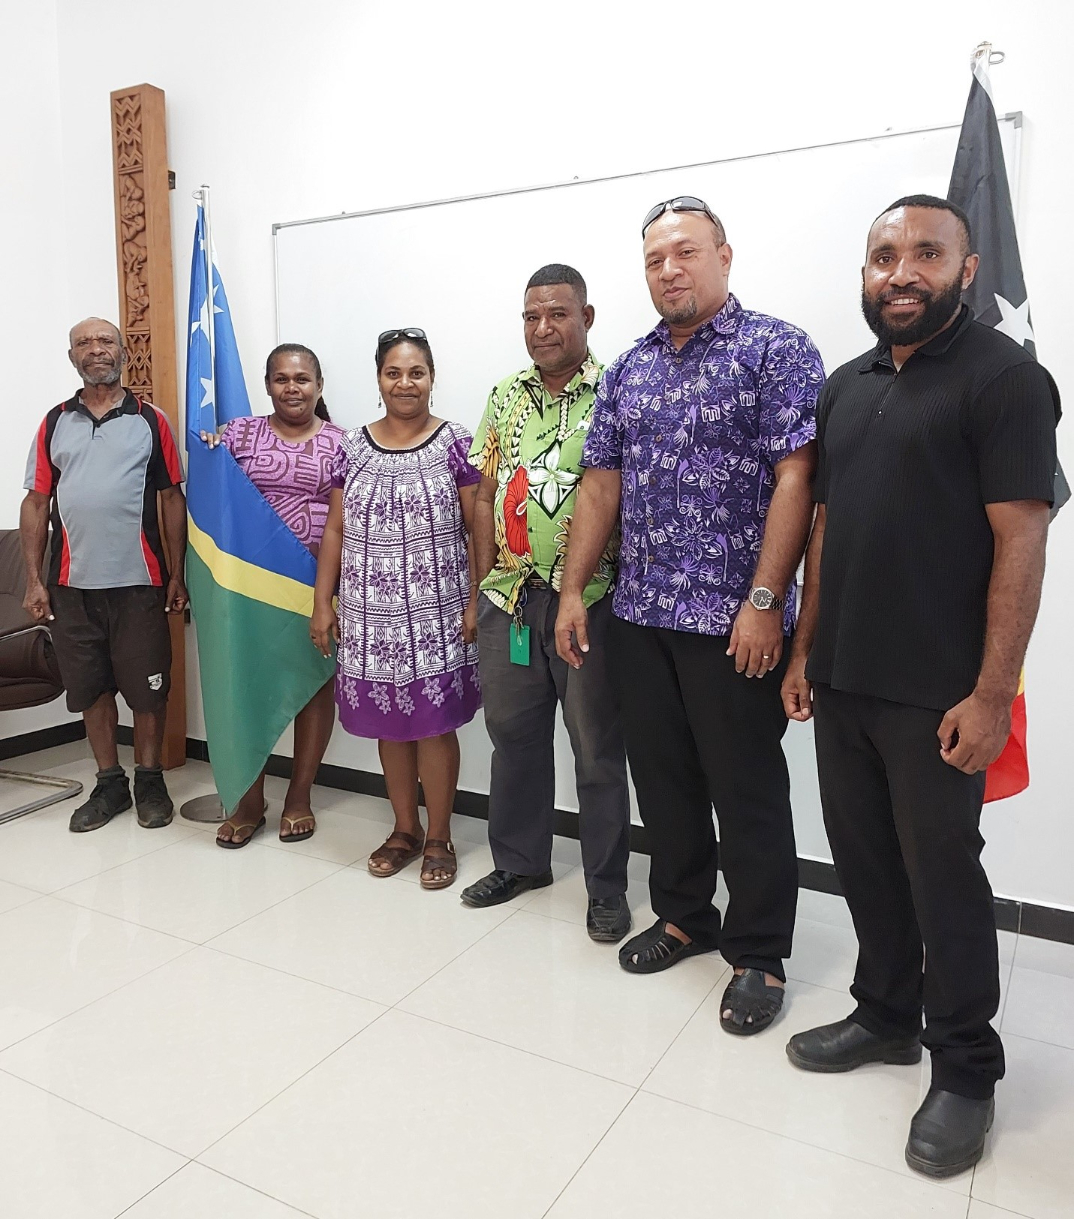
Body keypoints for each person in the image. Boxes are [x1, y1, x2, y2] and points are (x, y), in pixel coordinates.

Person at [781, 196, 1060, 1177]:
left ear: (967, 267)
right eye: (883, 256)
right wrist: (807, 648)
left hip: (942, 694)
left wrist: (992, 696)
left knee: (944, 880)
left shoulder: (1007, 379)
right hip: (846, 677)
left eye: (925, 254)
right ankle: (887, 1014)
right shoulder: (847, 387)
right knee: (866, 864)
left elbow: (1023, 540)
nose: (901, 271)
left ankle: (966, 1070)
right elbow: (825, 529)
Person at [556, 198, 824, 1032]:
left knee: (745, 788)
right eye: (654, 260)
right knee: (664, 780)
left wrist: (766, 601)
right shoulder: (629, 367)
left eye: (685, 253)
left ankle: (759, 952)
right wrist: (571, 589)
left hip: (734, 620)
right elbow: (601, 485)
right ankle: (683, 913)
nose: (669, 270)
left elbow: (799, 477)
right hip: (640, 612)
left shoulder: (775, 349)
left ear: (723, 256)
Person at [460, 264, 632, 943]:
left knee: (595, 749)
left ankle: (607, 887)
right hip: (509, 600)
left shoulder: (618, 391)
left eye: (557, 314)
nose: (542, 328)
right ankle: (522, 862)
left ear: (586, 318)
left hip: (589, 603)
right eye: (531, 316)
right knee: (513, 739)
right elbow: (480, 489)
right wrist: (483, 582)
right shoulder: (504, 395)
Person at [311, 329, 481, 889]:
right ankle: (403, 830)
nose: (405, 383)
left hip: (437, 613)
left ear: (432, 378)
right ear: (378, 379)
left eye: (417, 373)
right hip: (368, 614)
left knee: (433, 726)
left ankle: (439, 836)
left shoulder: (457, 442)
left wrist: (478, 598)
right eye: (394, 373)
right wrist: (322, 603)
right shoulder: (349, 446)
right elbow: (335, 527)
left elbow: (478, 524)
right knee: (391, 727)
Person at [20, 318, 187, 832]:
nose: (96, 350)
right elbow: (37, 501)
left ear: (123, 352)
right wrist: (34, 579)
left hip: (140, 582)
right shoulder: (53, 424)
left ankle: (150, 780)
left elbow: (171, 498)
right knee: (91, 688)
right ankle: (109, 783)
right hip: (71, 585)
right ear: (72, 356)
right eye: (84, 343)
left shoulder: (151, 420)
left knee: (148, 688)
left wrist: (176, 575)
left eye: (106, 341)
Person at [202, 343, 345, 847]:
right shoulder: (240, 434)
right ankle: (248, 799)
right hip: (249, 586)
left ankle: (300, 795)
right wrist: (206, 446)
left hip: (315, 584)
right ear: (267, 386)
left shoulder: (343, 445)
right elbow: (212, 486)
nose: (292, 388)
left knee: (311, 685)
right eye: (282, 379)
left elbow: (348, 522)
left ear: (319, 386)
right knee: (248, 687)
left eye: (302, 379)